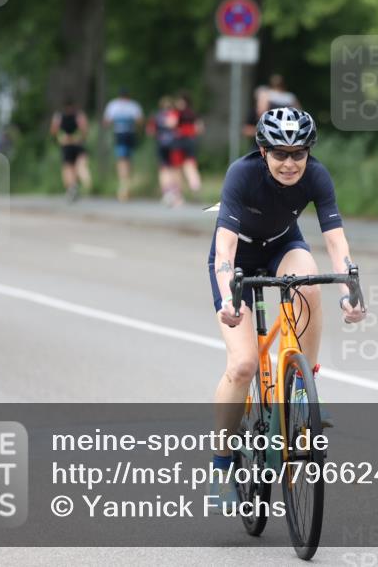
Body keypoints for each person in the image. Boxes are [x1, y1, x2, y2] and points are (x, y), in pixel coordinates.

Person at [207, 107, 365, 504]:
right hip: (238, 261)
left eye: (299, 153)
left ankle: (300, 388)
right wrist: (228, 297)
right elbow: (225, 246)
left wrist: (349, 289)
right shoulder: (241, 174)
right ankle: (222, 464)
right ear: (263, 151)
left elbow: (335, 240)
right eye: (280, 154)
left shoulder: (317, 175)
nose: (290, 163)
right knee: (242, 364)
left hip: (282, 245)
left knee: (309, 286)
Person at [102, 88, 144, 202]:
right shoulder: (133, 106)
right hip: (130, 134)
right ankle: (126, 185)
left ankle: (123, 185)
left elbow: (106, 122)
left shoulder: (113, 105)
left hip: (119, 135)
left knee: (121, 160)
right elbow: (140, 122)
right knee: (128, 160)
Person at [50, 100, 92, 202]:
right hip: (78, 144)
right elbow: (85, 129)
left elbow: (53, 130)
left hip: (66, 145)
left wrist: (59, 139)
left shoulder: (59, 116)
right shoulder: (79, 115)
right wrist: (81, 138)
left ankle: (72, 187)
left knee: (68, 168)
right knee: (79, 166)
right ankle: (80, 185)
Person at [148, 96, 181, 206]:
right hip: (173, 144)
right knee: (174, 169)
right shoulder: (174, 114)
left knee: (163, 169)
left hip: (161, 144)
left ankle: (166, 193)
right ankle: (175, 193)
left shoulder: (157, 116)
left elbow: (150, 131)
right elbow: (176, 126)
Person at [173, 93, 204, 199]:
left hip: (179, 141)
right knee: (190, 166)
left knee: (178, 168)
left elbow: (171, 124)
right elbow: (199, 128)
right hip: (191, 141)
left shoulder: (178, 113)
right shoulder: (194, 113)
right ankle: (195, 187)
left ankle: (178, 193)